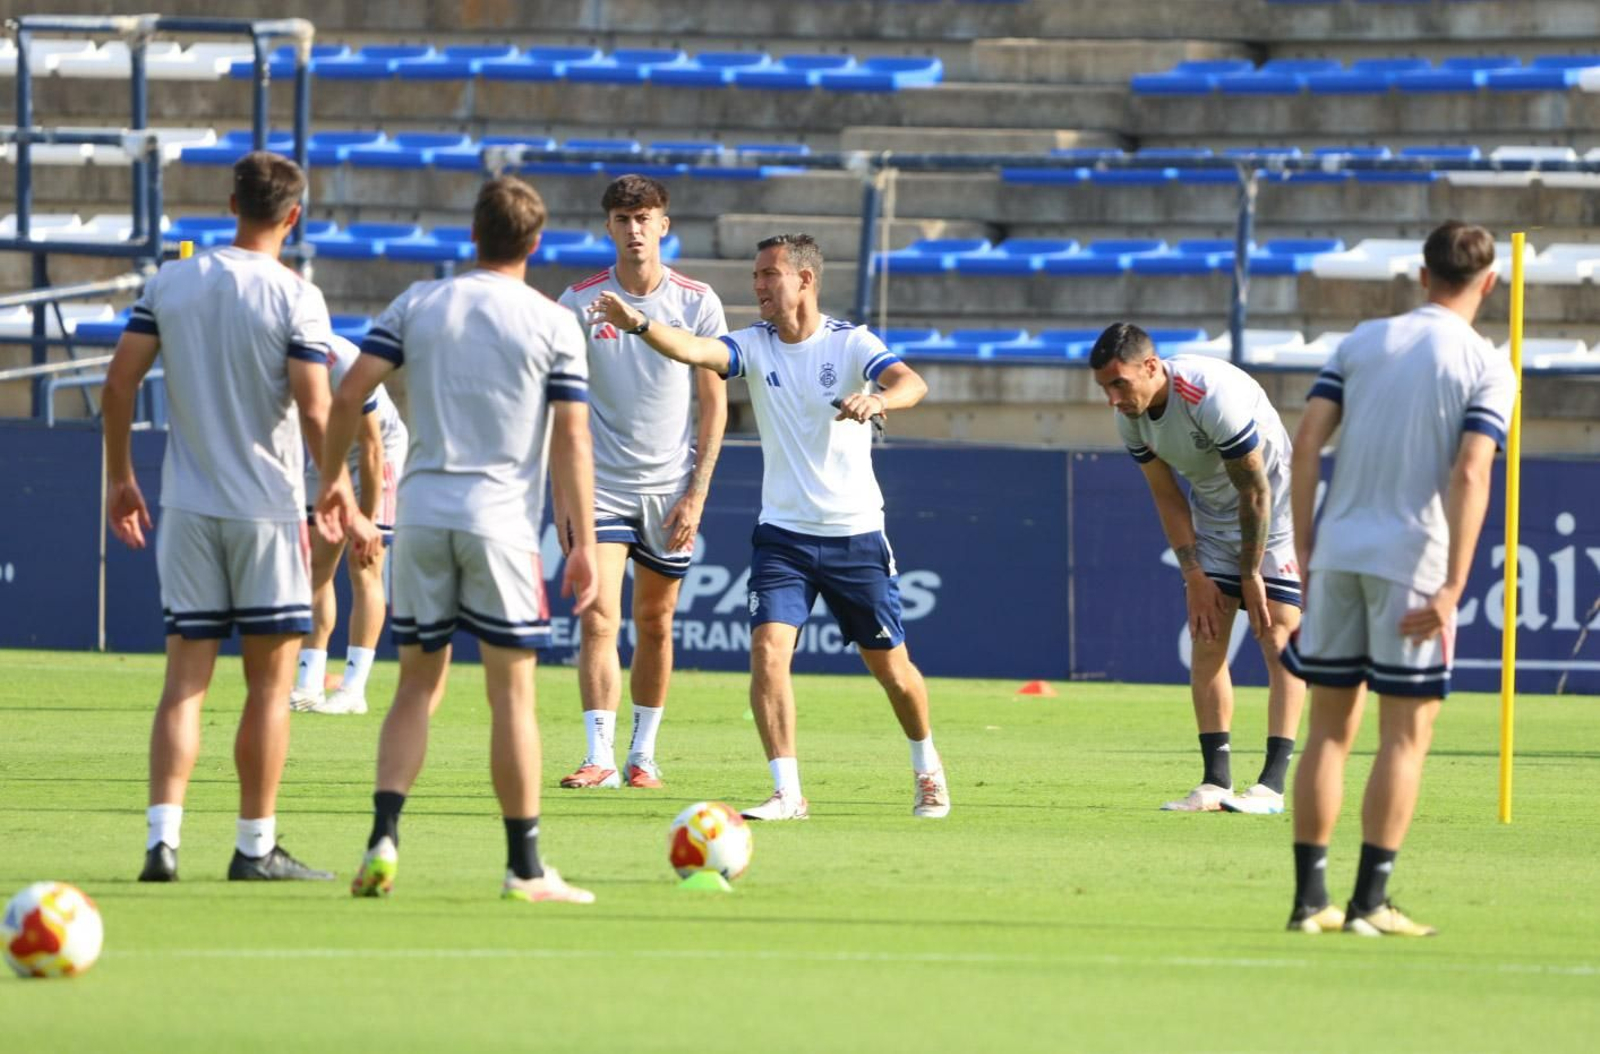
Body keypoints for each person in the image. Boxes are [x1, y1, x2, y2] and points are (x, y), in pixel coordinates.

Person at [588, 232, 950, 821]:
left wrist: (879, 401)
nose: (757, 284)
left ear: (805, 280)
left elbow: (912, 383)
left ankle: (926, 766)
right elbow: (694, 350)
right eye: (756, 274)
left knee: (893, 671)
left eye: (768, 274)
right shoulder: (753, 345)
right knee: (767, 651)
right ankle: (787, 792)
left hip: (855, 535)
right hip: (782, 536)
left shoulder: (851, 342)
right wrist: (640, 324)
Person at [317, 175, 600, 903]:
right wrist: (581, 542)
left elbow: (348, 393)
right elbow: (573, 439)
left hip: (422, 515)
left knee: (416, 686)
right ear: (536, 244)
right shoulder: (552, 323)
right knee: (513, 698)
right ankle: (524, 867)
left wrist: (334, 483)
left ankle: (383, 838)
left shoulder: (420, 302)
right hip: (501, 523)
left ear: (473, 234)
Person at [103, 150, 336, 882]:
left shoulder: (171, 281)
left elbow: (118, 383)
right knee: (269, 687)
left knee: (184, 683)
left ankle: (161, 844)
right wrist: (338, 488)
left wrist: (120, 477)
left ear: (232, 203)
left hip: (188, 507)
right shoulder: (297, 296)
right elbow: (315, 405)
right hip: (266, 510)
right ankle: (254, 847)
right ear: (293, 216)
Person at [1282, 221, 1513, 936]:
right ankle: (1370, 902)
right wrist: (1452, 587)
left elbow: (1306, 444)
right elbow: (1471, 473)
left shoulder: (1362, 340)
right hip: (1412, 562)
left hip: (1340, 552)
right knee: (1404, 738)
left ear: (1421, 274)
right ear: (1489, 282)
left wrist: (1308, 550)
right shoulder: (1486, 363)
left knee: (1327, 731)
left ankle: (1308, 901)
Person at [552, 174, 728, 790]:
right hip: (600, 486)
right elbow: (561, 411)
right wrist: (562, 500)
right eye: (623, 219)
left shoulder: (697, 301)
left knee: (655, 621)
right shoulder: (577, 302)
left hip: (669, 488)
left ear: (663, 226)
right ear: (608, 227)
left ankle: (642, 754)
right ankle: (598, 755)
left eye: (644, 218)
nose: (634, 230)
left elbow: (714, 403)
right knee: (598, 617)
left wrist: (697, 493)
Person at [1089, 324, 1305, 815]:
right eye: (1104, 388)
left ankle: (1271, 787)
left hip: (1274, 514)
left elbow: (1255, 491)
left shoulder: (1209, 395)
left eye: (1119, 384)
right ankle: (1215, 783)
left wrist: (1250, 573)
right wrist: (1194, 576)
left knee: (1277, 639)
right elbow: (1166, 495)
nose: (1113, 399)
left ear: (1151, 367)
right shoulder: (1131, 418)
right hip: (1212, 516)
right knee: (1207, 636)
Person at [289, 334, 407, 716]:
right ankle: (308, 685)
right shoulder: (267, 354)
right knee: (316, 569)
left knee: (363, 564)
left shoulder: (342, 361)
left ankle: (354, 690)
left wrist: (366, 521)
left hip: (379, 454)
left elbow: (372, 446)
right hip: (326, 456)